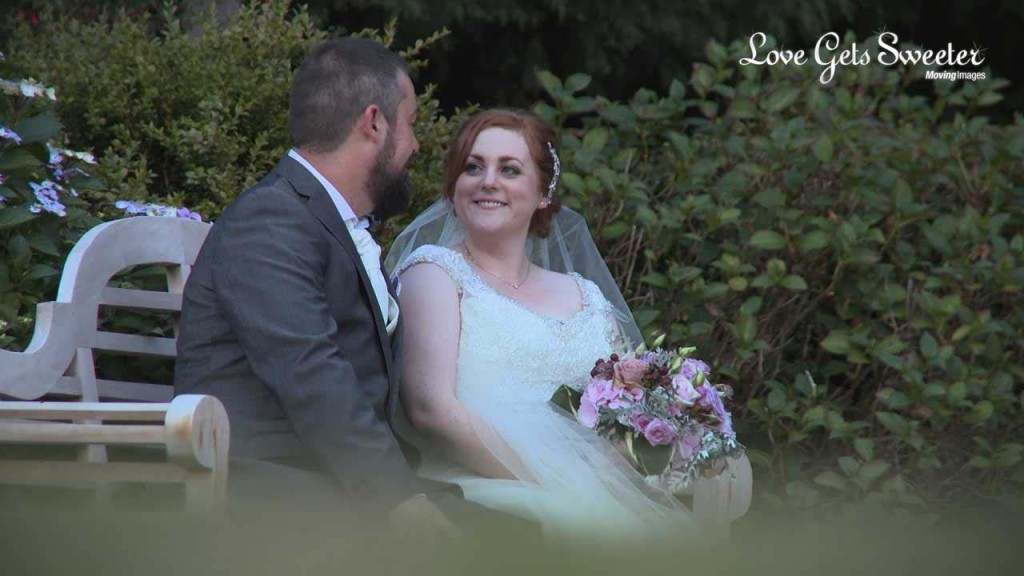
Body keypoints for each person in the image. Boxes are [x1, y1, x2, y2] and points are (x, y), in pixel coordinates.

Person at [173, 37, 466, 537]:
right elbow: (312, 375)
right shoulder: (271, 220)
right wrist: (401, 500)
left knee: (530, 530)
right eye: (411, 124)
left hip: (334, 481)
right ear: (374, 123)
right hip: (274, 491)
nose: (416, 145)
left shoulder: (322, 220)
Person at [386, 109, 698, 543]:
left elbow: (627, 411)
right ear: (454, 188)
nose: (487, 181)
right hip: (486, 492)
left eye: (509, 169)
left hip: (592, 491)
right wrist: (561, 479)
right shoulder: (434, 274)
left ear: (543, 193)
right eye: (472, 167)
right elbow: (430, 411)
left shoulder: (585, 296)